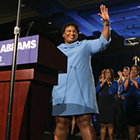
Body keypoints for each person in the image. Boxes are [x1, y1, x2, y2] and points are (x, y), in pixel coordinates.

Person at [52, 4, 111, 140]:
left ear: (77, 34)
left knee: (84, 122)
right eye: (68, 31)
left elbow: (103, 42)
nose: (72, 33)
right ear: (63, 34)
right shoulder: (55, 50)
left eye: (74, 31)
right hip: (62, 91)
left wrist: (106, 23)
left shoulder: (85, 45)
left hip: (82, 92)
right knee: (62, 123)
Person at [96, 68, 118, 140]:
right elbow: (96, 91)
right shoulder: (101, 83)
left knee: (110, 124)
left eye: (108, 73)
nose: (107, 74)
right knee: (103, 124)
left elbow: (113, 91)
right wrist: (103, 82)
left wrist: (108, 82)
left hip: (111, 104)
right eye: (106, 73)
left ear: (111, 75)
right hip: (102, 104)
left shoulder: (114, 83)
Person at [120, 65, 140, 140]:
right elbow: (124, 88)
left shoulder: (139, 79)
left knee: (138, 125)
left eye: (135, 70)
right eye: (132, 70)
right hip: (129, 106)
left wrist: (132, 79)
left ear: (138, 71)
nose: (133, 71)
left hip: (137, 105)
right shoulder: (127, 79)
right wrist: (128, 79)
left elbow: (138, 87)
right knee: (131, 126)